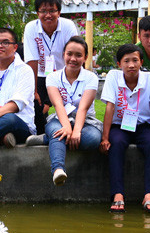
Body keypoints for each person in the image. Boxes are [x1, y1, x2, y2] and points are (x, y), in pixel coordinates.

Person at [100, 44, 150, 213]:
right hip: (119, 125)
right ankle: (117, 195)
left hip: (142, 126)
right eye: (126, 61)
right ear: (119, 64)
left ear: (141, 62)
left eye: (135, 60)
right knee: (115, 145)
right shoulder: (113, 77)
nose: (131, 65)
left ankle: (149, 195)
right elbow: (110, 106)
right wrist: (105, 138)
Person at [41, 36, 103, 185]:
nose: (73, 59)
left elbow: (83, 108)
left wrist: (76, 131)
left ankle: (47, 139)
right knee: (59, 131)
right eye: (69, 54)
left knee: (93, 139)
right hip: (60, 119)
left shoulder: (91, 78)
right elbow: (58, 105)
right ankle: (58, 170)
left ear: (86, 57)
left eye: (78, 55)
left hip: (86, 122)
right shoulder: (53, 77)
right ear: (63, 55)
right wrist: (67, 127)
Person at [23, 0, 79, 135]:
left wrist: (75, 80)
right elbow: (32, 60)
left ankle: (75, 130)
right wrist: (34, 90)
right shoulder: (31, 28)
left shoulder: (68, 26)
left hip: (64, 74)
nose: (48, 15)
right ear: (37, 13)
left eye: (52, 11)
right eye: (43, 11)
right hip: (40, 75)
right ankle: (41, 136)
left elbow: (75, 51)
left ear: (59, 12)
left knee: (72, 105)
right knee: (36, 107)